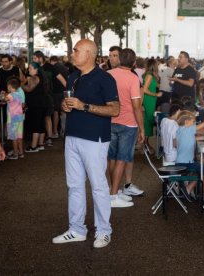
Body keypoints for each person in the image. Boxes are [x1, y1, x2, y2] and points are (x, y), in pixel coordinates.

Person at [52, 39, 119, 248]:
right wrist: (65, 105)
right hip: (72, 136)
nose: (72, 53)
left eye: (76, 50)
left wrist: (84, 106)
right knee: (74, 186)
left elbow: (115, 109)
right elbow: (70, 104)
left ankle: (104, 231)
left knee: (98, 186)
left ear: (89, 53)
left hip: (94, 139)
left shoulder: (105, 78)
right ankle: (76, 229)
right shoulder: (73, 77)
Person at [108, 48, 145, 208]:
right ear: (134, 63)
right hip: (128, 123)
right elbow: (137, 106)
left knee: (111, 158)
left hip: (108, 120)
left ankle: (113, 190)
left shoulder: (108, 74)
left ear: (119, 59)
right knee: (122, 159)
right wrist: (142, 128)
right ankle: (113, 195)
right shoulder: (133, 78)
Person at [175, 110, 204, 200]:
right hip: (185, 164)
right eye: (193, 121)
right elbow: (203, 126)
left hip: (181, 162)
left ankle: (189, 189)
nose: (194, 123)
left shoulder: (181, 130)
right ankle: (200, 194)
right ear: (186, 122)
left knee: (200, 167)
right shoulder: (188, 129)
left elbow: (202, 132)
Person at [33, 51, 67, 147]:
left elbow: (61, 79)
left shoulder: (50, 67)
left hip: (50, 96)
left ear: (40, 58)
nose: (33, 60)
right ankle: (41, 140)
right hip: (38, 98)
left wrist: (68, 93)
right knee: (41, 118)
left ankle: (50, 137)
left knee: (48, 116)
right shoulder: (34, 67)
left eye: (35, 58)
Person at [22, 62, 49, 152]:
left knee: (36, 124)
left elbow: (29, 89)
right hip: (42, 103)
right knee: (41, 124)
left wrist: (20, 85)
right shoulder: (41, 77)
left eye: (30, 68)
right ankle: (40, 144)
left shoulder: (35, 77)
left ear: (36, 69)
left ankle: (33, 146)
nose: (28, 70)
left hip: (37, 104)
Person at [0, 77, 25, 160]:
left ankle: (15, 153)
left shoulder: (11, 95)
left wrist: (2, 95)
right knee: (19, 136)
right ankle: (21, 152)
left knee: (13, 137)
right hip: (20, 118)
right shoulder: (19, 94)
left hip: (12, 119)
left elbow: (3, 99)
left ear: (10, 87)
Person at [143, 58, 162, 155]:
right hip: (148, 100)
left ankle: (146, 144)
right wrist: (156, 95)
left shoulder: (150, 75)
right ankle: (145, 145)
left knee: (148, 122)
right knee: (148, 122)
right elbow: (144, 90)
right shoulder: (149, 75)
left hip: (150, 101)